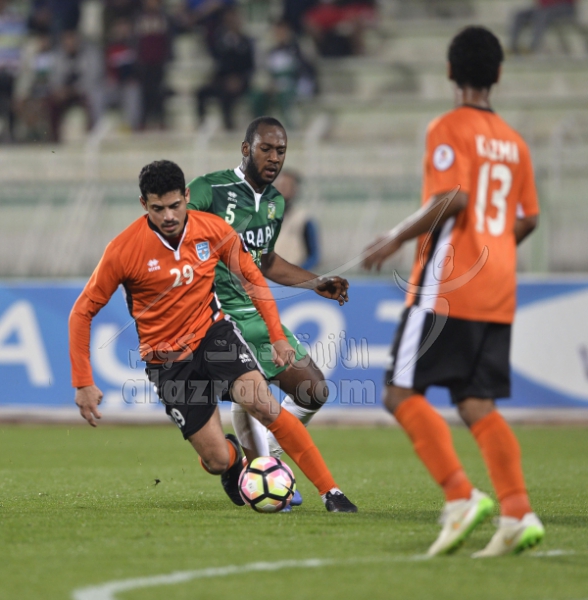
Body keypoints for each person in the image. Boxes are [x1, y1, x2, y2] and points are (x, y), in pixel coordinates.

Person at [69, 159, 357, 513]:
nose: (169, 216)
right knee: (216, 459)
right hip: (168, 360)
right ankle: (234, 461)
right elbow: (81, 312)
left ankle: (331, 492)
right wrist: (83, 381)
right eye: (158, 209)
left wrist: (277, 337)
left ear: (187, 197)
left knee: (264, 405)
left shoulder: (212, 229)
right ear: (144, 204)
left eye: (175, 205)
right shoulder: (123, 250)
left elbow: (253, 279)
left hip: (214, 337)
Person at [363, 26, 544, 557]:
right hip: (498, 286)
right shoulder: (514, 142)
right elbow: (529, 217)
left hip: (448, 284)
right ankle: (517, 512)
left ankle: (461, 497)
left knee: (399, 393)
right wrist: (496, 246)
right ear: (498, 75)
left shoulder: (448, 127)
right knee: (477, 402)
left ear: (449, 71)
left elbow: (454, 196)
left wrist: (397, 236)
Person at [186, 117, 349, 509]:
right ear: (246, 149)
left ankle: (263, 463)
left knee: (313, 391)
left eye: (281, 151)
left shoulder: (275, 202)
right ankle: (261, 472)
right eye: (266, 149)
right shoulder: (209, 189)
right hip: (216, 314)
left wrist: (316, 282)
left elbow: (267, 260)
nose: (274, 157)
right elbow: (173, 233)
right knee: (252, 393)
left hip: (255, 311)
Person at [195, 6, 254, 131]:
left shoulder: (246, 42)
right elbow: (218, 62)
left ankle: (229, 125)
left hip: (241, 81)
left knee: (227, 94)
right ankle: (201, 123)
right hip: (223, 79)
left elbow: (250, 66)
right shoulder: (220, 40)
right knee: (202, 92)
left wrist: (240, 79)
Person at [273, 169, 320, 270]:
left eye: (286, 186)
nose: (282, 189)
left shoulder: (304, 219)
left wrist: (296, 272)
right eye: (279, 186)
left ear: (295, 190)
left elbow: (314, 256)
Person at [510, 0, 578, 55]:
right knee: (519, 15)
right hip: (544, 8)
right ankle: (513, 47)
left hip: (565, 7)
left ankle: (532, 48)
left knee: (542, 15)